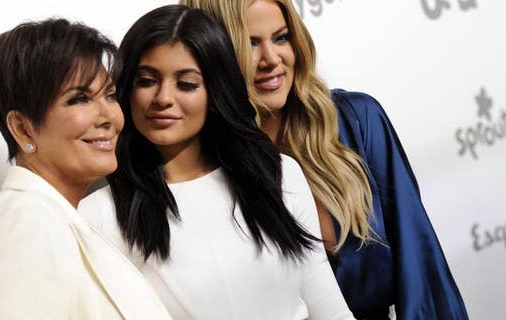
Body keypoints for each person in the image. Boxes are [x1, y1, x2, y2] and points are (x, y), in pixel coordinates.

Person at [181, 0, 469, 319]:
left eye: (281, 37)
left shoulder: (356, 122)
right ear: (211, 54)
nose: (272, 59)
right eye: (249, 44)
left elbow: (422, 271)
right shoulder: (199, 169)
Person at [80, 5, 354, 319]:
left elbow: (329, 308)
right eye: (146, 81)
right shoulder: (98, 217)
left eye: (186, 84)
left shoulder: (279, 174)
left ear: (216, 92)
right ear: (126, 89)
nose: (163, 98)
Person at [0, 18, 171, 319]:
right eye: (80, 99)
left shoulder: (56, 217)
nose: (109, 116)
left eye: (110, 95)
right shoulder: (25, 224)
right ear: (23, 129)